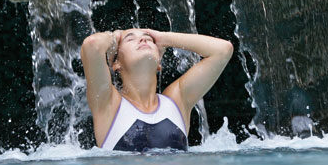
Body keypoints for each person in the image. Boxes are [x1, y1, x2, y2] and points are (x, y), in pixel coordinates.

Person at [80, 28, 233, 151]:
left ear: (159, 62)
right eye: (130, 39)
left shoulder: (177, 99)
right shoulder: (108, 103)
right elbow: (92, 45)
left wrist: (164, 38)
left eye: (149, 38)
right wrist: (115, 36)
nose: (143, 39)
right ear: (116, 64)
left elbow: (223, 50)